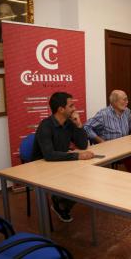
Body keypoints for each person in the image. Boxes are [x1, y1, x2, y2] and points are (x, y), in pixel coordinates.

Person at [32, 92, 94, 223]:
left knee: (87, 179)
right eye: (71, 105)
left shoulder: (68, 123)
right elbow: (49, 155)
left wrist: (79, 125)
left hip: (61, 162)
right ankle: (60, 203)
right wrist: (77, 156)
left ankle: (61, 201)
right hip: (42, 167)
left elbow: (83, 145)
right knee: (78, 181)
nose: (74, 108)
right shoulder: (45, 126)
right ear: (61, 109)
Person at [84, 90, 131, 173]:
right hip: (110, 148)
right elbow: (86, 127)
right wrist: (101, 141)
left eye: (127, 99)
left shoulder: (127, 111)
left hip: (125, 144)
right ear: (114, 102)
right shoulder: (103, 114)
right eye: (124, 99)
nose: (127, 102)